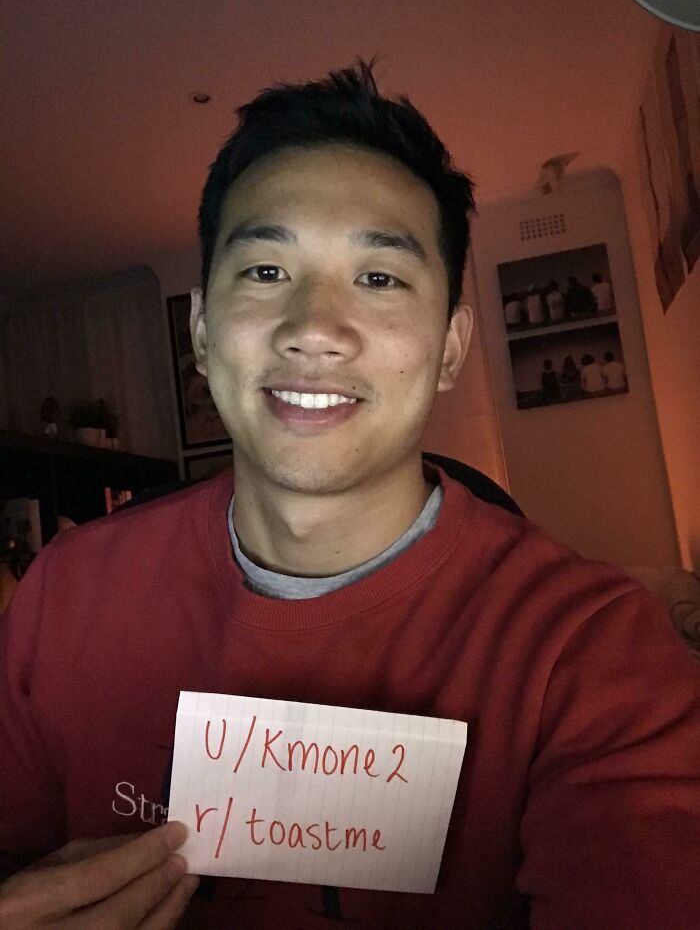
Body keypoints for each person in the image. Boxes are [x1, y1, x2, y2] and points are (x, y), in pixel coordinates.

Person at [1, 61, 699, 930]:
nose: (314, 330)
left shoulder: (589, 653)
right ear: (202, 333)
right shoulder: (65, 595)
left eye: (379, 278)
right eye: (264, 271)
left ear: (450, 347)